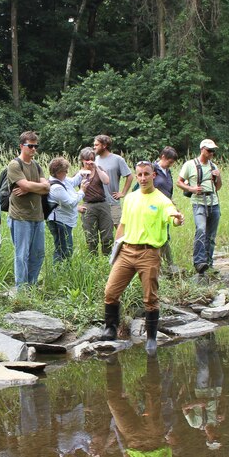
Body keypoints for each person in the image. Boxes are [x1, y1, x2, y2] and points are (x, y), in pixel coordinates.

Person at [101, 161, 184, 352]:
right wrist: (116, 247)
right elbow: (122, 225)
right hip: (127, 251)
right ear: (136, 176)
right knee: (110, 292)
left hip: (149, 253)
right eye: (139, 175)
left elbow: (172, 215)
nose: (143, 178)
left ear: (153, 175)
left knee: (150, 297)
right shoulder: (130, 198)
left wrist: (178, 219)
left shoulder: (162, 200)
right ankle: (110, 328)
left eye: (147, 174)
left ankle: (151, 337)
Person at [106, 356, 183, 457]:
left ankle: (111, 362)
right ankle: (152, 357)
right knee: (152, 396)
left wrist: (128, 449)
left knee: (113, 401)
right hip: (153, 437)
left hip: (131, 437)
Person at [7, 131, 50, 289]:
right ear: (21, 146)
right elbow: (25, 185)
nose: (33, 149)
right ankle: (21, 289)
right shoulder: (14, 165)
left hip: (38, 217)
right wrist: (32, 186)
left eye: (35, 146)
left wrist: (30, 188)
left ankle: (31, 286)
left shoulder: (37, 166)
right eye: (30, 146)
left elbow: (47, 187)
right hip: (20, 217)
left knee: (38, 253)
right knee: (22, 254)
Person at [177, 139, 222, 274]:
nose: (211, 154)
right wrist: (191, 189)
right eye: (209, 151)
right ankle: (199, 262)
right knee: (201, 230)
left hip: (213, 202)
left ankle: (209, 262)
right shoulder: (190, 165)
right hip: (198, 202)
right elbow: (179, 182)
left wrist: (218, 177)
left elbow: (218, 187)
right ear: (202, 149)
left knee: (211, 235)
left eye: (213, 151)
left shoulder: (214, 167)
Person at [183, 334, 225, 450]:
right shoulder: (218, 421)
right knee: (215, 361)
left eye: (214, 438)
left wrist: (197, 403)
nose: (216, 435)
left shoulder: (195, 423)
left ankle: (199, 339)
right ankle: (210, 336)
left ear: (208, 438)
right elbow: (223, 401)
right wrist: (223, 411)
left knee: (204, 369)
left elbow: (184, 408)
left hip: (202, 389)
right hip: (216, 389)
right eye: (218, 436)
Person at [46, 156, 83, 263]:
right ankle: (59, 271)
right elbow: (70, 203)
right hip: (60, 221)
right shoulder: (56, 187)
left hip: (64, 220)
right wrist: (82, 191)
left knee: (65, 246)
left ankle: (63, 269)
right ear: (57, 172)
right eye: (65, 171)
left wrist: (81, 173)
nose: (67, 173)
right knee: (63, 249)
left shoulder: (61, 180)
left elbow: (72, 182)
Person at [77, 147, 112, 254]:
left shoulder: (99, 169)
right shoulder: (79, 174)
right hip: (88, 206)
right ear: (82, 160)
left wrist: (96, 167)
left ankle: (108, 259)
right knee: (91, 238)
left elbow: (106, 181)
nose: (89, 161)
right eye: (87, 159)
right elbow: (68, 190)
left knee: (107, 236)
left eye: (92, 158)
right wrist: (76, 206)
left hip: (102, 204)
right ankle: (93, 261)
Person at [93, 135, 132, 228]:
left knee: (119, 227)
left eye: (96, 145)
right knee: (104, 229)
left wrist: (123, 193)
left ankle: (125, 243)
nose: (94, 147)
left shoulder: (117, 159)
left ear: (104, 145)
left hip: (113, 201)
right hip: (98, 202)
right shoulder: (94, 160)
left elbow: (129, 176)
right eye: (94, 145)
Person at [153, 146, 178, 268]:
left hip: (166, 208)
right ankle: (164, 265)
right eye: (170, 162)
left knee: (165, 235)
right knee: (158, 235)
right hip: (154, 208)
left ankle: (168, 264)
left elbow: (167, 189)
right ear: (163, 157)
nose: (171, 165)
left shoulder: (168, 171)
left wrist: (172, 202)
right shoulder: (152, 170)